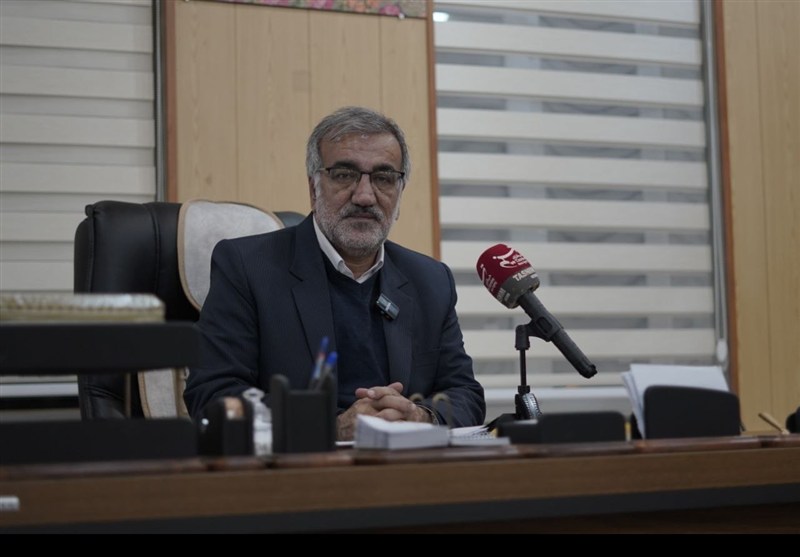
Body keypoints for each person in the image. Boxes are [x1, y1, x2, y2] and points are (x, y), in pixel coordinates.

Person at [183, 106, 485, 440]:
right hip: (300, 466)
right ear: (313, 188)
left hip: (406, 465)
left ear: (400, 192)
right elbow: (214, 395)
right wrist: (331, 427)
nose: (365, 196)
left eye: (384, 178)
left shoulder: (430, 280)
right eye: (344, 175)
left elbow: (465, 394)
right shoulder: (247, 267)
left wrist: (420, 417)